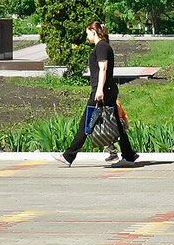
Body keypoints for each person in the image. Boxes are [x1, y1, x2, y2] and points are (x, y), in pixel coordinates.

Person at [53, 21, 139, 168]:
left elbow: (103, 68)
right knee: (115, 123)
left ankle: (68, 156)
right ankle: (129, 155)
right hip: (107, 90)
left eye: (88, 33)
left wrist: (99, 90)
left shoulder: (101, 46)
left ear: (93, 31)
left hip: (103, 91)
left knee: (86, 122)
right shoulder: (103, 46)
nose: (87, 36)